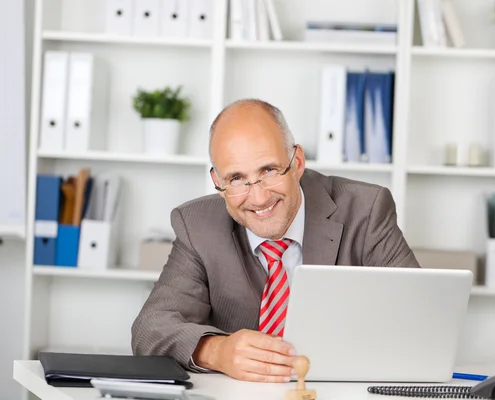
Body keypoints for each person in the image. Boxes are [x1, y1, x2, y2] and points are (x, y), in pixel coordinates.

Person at [131, 99, 420, 383]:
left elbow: (419, 315)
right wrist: (217, 351)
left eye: (269, 170)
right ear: (218, 182)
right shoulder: (197, 225)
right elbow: (150, 329)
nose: (258, 198)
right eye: (236, 179)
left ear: (297, 162)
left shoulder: (366, 210)